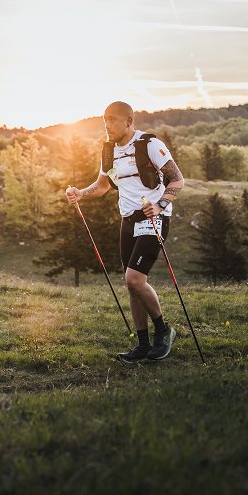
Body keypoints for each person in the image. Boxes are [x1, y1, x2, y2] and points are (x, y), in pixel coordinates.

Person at [66, 101, 185, 362]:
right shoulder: (108, 151)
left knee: (134, 279)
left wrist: (160, 204)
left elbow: (177, 179)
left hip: (153, 218)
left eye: (112, 120)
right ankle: (142, 346)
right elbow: (102, 185)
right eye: (104, 120)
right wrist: (81, 193)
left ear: (129, 121)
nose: (107, 125)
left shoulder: (149, 144)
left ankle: (163, 331)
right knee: (132, 287)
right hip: (128, 221)